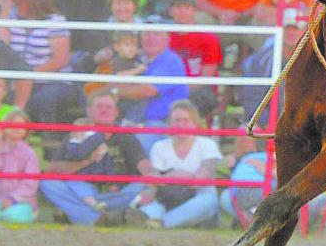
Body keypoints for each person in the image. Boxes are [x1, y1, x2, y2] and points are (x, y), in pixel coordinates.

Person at [40, 90, 156, 226]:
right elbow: (54, 169)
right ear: (89, 111)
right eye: (99, 106)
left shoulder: (126, 136)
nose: (104, 110)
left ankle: (81, 214)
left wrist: (151, 174)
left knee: (141, 186)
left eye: (109, 107)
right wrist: (87, 161)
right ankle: (100, 218)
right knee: (48, 183)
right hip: (82, 192)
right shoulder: (77, 135)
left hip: (115, 194)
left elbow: (142, 162)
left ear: (116, 112)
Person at [130, 100, 221, 228]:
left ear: (195, 123)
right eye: (176, 120)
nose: (181, 125)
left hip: (198, 195)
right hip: (167, 196)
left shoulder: (207, 144)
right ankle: (149, 219)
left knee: (209, 201)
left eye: (186, 120)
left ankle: (162, 223)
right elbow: (154, 180)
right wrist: (174, 175)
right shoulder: (159, 146)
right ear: (169, 123)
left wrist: (171, 177)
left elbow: (202, 178)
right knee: (149, 207)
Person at [6, 0, 81, 130]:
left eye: (19, 3)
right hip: (19, 79)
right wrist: (5, 8)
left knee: (42, 100)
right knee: (4, 96)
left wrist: (30, 74)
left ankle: (48, 138)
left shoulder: (56, 21)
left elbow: (61, 60)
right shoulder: (12, 19)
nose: (16, 6)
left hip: (52, 79)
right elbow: (2, 45)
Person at [108, 18, 189, 152]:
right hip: (130, 119)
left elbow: (147, 90)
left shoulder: (170, 61)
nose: (151, 38)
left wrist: (114, 92)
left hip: (161, 123)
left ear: (167, 40)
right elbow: (113, 80)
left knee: (135, 148)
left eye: (157, 34)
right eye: (146, 33)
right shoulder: (136, 59)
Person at [168, 0, 222, 118]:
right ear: (171, 11)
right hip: (170, 88)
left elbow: (206, 77)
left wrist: (179, 91)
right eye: (178, 7)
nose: (182, 11)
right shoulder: (164, 37)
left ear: (194, 11)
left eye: (187, 7)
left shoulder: (208, 38)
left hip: (198, 91)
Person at [0, 109, 39, 224]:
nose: (15, 128)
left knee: (11, 217)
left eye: (20, 125)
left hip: (22, 200)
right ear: (3, 128)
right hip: (1, 198)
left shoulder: (29, 153)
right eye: (11, 124)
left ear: (26, 130)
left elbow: (30, 183)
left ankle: (31, 213)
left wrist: (13, 199)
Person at [56, 117, 116, 212]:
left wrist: (112, 181)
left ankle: (94, 207)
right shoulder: (73, 145)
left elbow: (107, 163)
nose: (83, 134)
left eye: (87, 132)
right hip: (77, 177)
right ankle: (94, 204)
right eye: (78, 131)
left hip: (95, 179)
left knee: (81, 188)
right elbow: (73, 157)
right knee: (77, 186)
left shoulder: (98, 145)